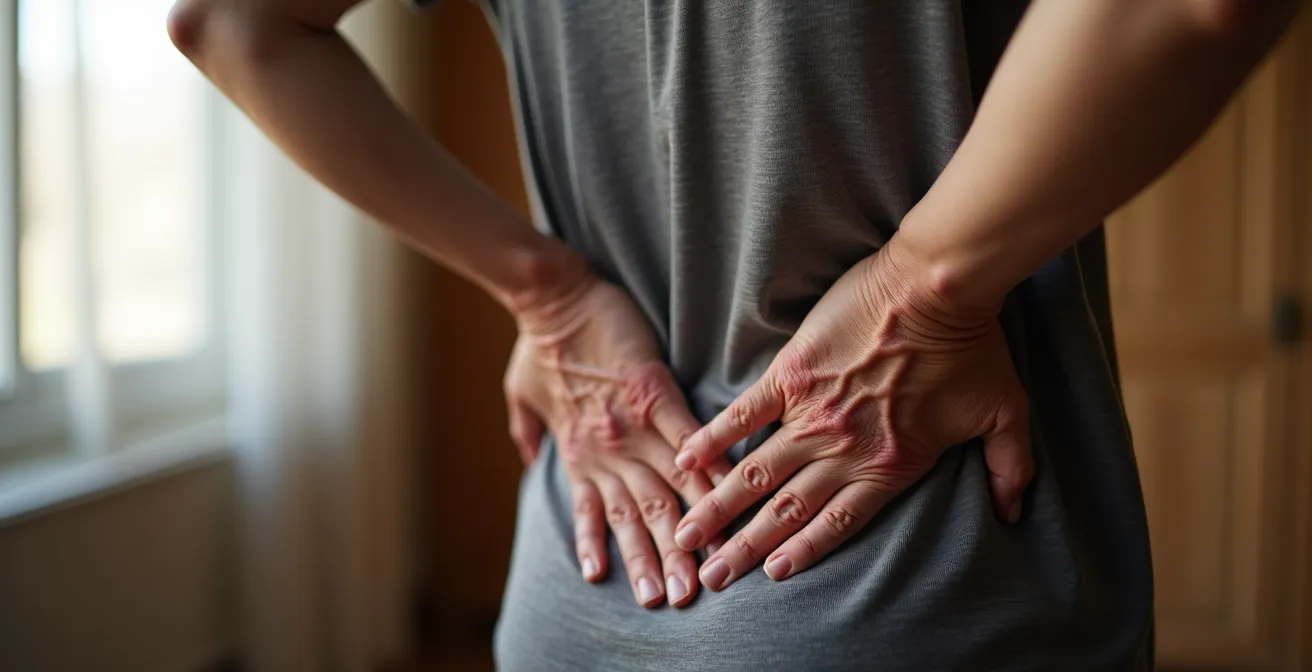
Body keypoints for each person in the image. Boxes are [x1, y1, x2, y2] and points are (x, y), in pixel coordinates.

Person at [167, 0, 1302, 668]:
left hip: (582, 581)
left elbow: (227, 19)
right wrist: (926, 291)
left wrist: (544, 292)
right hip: (921, 598)